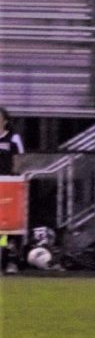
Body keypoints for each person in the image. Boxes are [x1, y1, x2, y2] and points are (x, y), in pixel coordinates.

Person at [0, 107, 25, 274]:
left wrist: (14, 176)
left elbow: (19, 159)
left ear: (5, 120)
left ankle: (9, 259)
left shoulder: (13, 138)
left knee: (6, 226)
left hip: (7, 185)